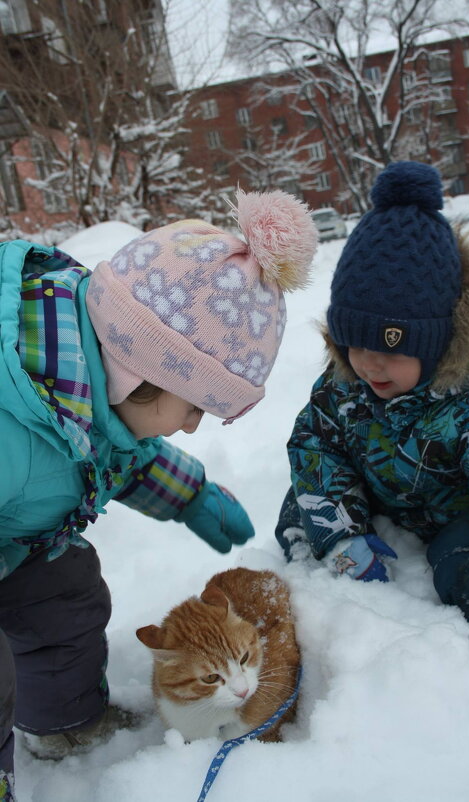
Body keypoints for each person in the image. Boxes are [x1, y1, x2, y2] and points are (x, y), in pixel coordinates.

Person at [0, 188, 317, 797]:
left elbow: (123, 454)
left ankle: (64, 723)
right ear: (138, 367)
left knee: (68, 595)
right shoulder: (16, 425)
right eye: (195, 406)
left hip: (18, 538)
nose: (194, 424)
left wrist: (191, 494)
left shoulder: (92, 395)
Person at [275, 161, 469, 654]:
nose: (369, 365)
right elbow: (315, 444)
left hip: (463, 515)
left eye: (391, 349)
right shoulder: (345, 385)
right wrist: (342, 534)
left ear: (437, 343)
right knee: (300, 506)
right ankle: (329, 569)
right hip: (378, 494)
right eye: (355, 345)